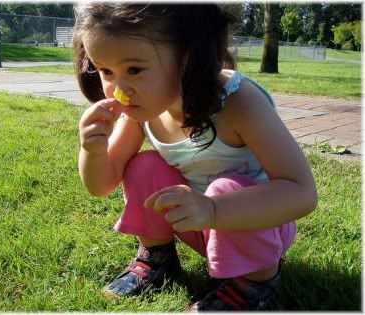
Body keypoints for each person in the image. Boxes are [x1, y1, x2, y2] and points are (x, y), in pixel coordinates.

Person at [74, 3, 317, 312]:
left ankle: (253, 285)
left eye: (134, 69)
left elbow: (302, 193)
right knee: (145, 166)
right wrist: (92, 150)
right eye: (106, 71)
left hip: (260, 224)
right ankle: (157, 258)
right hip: (199, 219)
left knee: (226, 188)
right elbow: (102, 184)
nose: (119, 90)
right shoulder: (143, 108)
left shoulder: (238, 102)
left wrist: (213, 208)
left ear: (188, 56)